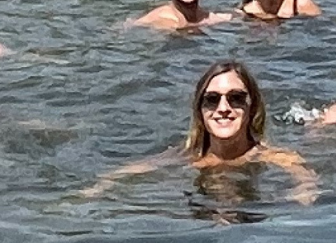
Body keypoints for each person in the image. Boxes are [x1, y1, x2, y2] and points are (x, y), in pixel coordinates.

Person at [90, 61, 315, 204]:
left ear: (252, 106)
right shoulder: (186, 157)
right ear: (200, 110)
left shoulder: (274, 158)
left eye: (236, 98)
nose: (223, 108)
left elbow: (306, 181)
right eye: (212, 100)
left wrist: (301, 193)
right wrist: (100, 188)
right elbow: (128, 172)